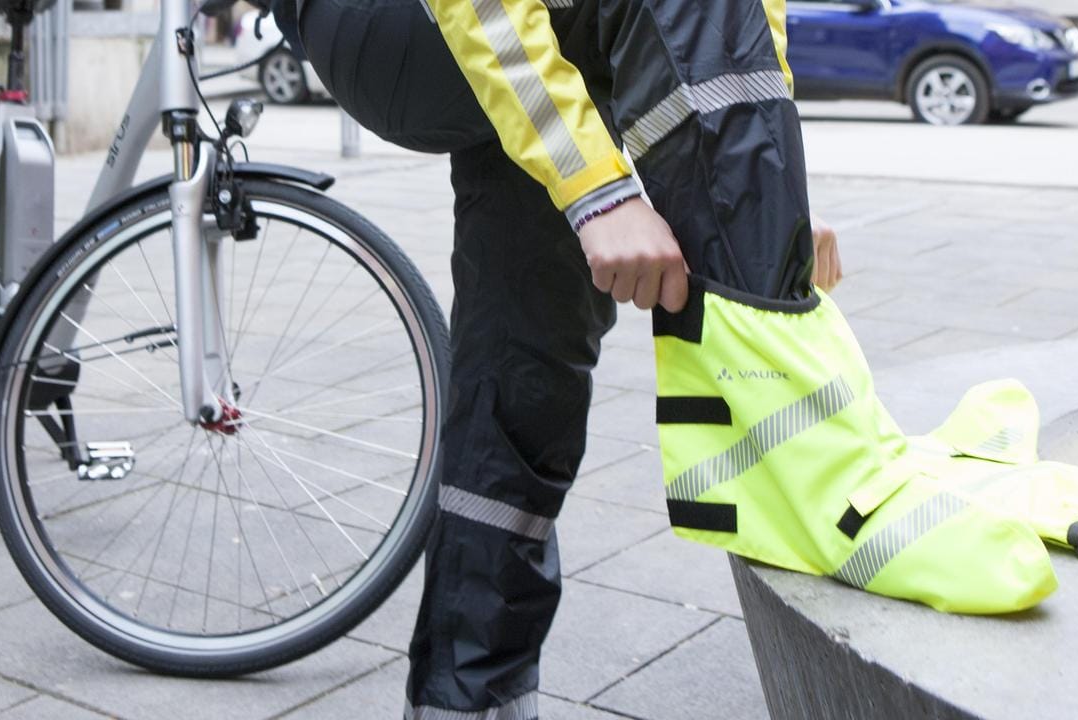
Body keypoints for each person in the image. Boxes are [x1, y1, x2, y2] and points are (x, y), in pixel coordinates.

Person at [269, 0, 839, 717]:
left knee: (526, 363)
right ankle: (811, 445)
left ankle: (467, 695)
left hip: (525, 34)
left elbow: (746, 24)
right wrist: (600, 192)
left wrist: (775, 189)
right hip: (385, 19)